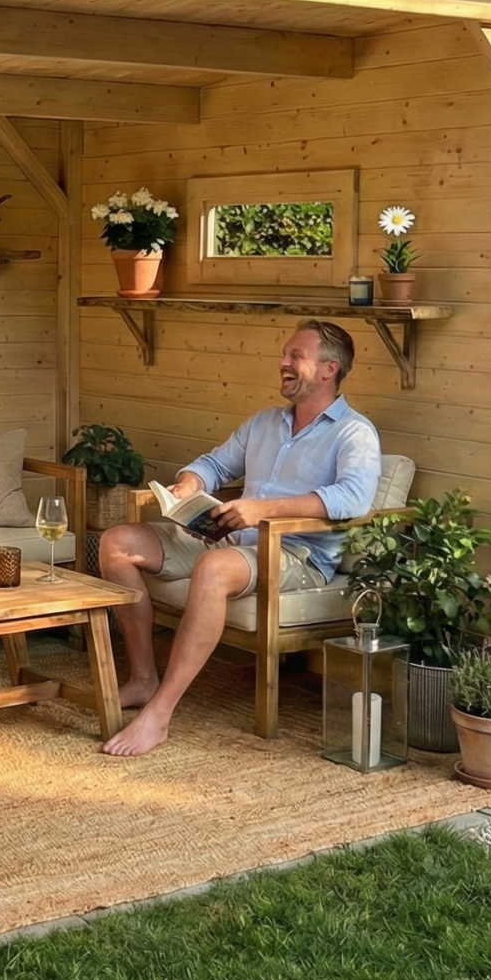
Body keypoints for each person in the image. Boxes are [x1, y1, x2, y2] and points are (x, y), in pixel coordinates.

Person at [98, 321, 380, 757]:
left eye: (296, 356)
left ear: (329, 369)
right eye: (284, 354)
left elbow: (353, 497)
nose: (283, 363)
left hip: (297, 553)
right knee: (116, 543)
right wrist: (190, 485)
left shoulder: (353, 432)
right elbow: (214, 465)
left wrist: (263, 509)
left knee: (214, 568)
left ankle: (159, 714)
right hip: (233, 538)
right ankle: (143, 678)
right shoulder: (265, 422)